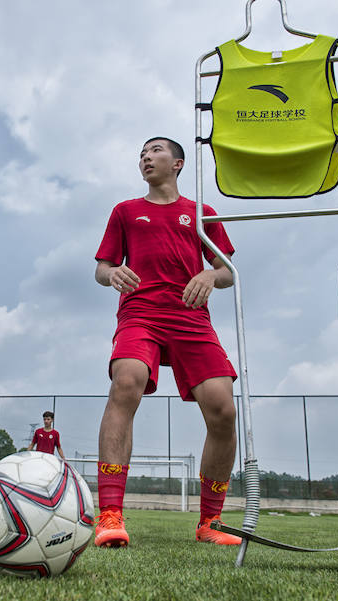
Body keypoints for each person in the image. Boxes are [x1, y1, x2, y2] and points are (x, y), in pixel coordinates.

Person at [93, 137, 242, 548]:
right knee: (126, 382)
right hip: (140, 313)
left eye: (154, 150)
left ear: (177, 163)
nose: (145, 157)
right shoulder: (125, 211)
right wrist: (113, 275)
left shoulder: (202, 214)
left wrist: (211, 275)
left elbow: (227, 271)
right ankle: (109, 515)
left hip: (191, 317)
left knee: (223, 410)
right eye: (141, 152)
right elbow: (102, 269)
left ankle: (210, 522)